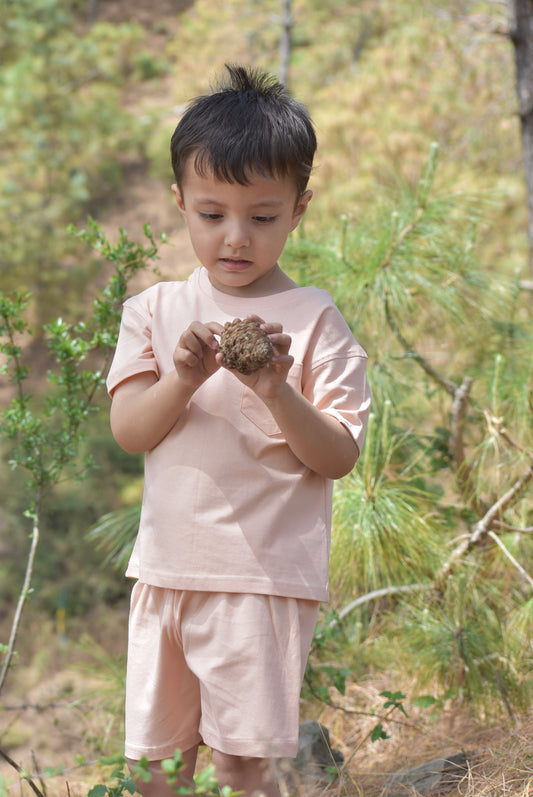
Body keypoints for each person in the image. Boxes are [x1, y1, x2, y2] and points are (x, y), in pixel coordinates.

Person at [107, 63, 371, 797]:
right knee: (155, 767)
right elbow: (130, 429)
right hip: (164, 570)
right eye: (211, 213)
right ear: (180, 204)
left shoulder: (315, 318)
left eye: (261, 216)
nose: (235, 237)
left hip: (260, 579)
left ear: (298, 209)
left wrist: (274, 388)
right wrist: (183, 379)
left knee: (245, 766)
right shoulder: (155, 311)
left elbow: (338, 453)